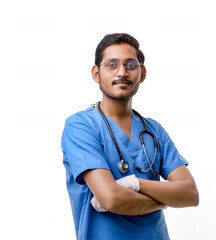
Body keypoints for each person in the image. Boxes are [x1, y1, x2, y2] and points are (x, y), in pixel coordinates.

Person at [61, 33, 199, 240]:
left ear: (142, 73)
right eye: (112, 65)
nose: (122, 72)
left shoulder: (154, 131)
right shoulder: (81, 126)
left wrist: (135, 184)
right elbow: (111, 198)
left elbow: (190, 194)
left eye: (131, 65)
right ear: (96, 73)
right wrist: (165, 199)